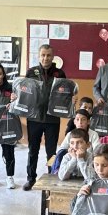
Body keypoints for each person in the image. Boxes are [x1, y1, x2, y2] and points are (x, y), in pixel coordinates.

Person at [22, 44, 68, 191]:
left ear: (53, 57)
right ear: (39, 56)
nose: (45, 58)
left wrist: (71, 100)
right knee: (32, 150)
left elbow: (65, 94)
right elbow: (25, 92)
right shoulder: (31, 72)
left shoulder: (60, 73)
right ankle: (31, 179)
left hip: (52, 119)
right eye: (43, 55)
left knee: (51, 152)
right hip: (34, 118)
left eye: (48, 55)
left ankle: (51, 178)